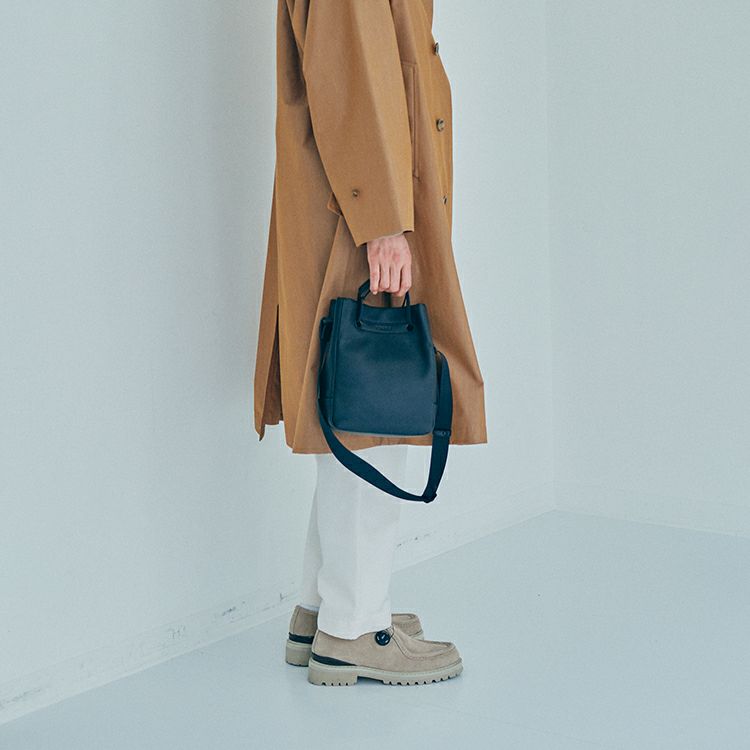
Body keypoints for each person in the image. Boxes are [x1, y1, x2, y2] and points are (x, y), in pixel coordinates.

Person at [253, 0, 488, 686]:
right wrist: (382, 220)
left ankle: (323, 606)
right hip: (359, 213)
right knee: (372, 417)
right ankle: (355, 628)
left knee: (351, 412)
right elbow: (352, 79)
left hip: (362, 201)